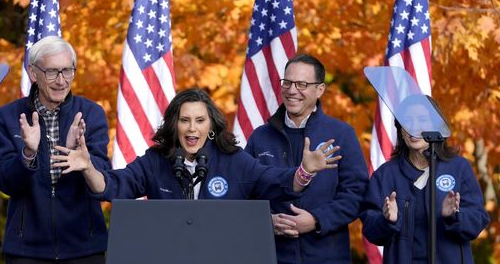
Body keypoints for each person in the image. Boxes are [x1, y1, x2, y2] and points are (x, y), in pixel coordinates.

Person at [54, 88, 341, 202]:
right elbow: (115, 186)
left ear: (211, 126)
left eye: (200, 121)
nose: (192, 128)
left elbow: (275, 182)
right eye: (185, 120)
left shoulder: (234, 161)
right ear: (174, 125)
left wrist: (304, 170)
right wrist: (89, 167)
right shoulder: (155, 160)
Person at [0, 36, 110, 264]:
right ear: (33, 73)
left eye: (68, 70)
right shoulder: (8, 117)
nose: (61, 80)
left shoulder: (91, 114)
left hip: (83, 244)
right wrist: (28, 153)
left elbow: (103, 180)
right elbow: (4, 181)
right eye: (52, 72)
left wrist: (78, 159)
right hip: (27, 248)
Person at [245, 54, 368, 264]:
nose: (292, 91)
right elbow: (245, 193)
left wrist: (316, 220)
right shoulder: (260, 138)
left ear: (320, 89)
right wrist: (266, 221)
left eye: (302, 84)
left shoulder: (340, 134)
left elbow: (356, 194)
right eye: (287, 83)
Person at [360, 95, 489, 264]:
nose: (414, 127)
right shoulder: (386, 175)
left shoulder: (458, 168)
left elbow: (477, 220)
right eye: (406, 121)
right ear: (400, 128)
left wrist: (454, 216)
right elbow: (370, 229)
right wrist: (387, 220)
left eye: (422, 120)